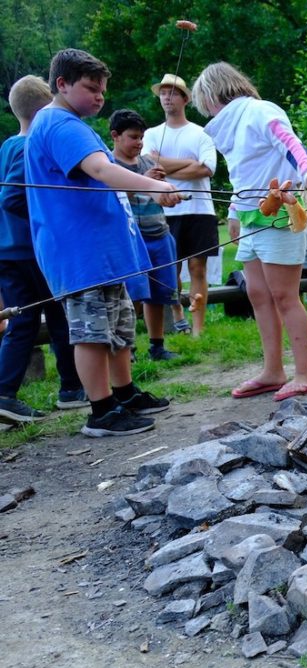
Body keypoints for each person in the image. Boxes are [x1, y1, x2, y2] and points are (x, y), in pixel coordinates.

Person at [24, 49, 177, 437]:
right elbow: (101, 169)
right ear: (62, 84)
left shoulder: (72, 123)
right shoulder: (60, 124)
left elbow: (106, 172)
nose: (99, 97)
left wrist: (151, 190)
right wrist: (157, 185)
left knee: (119, 324)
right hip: (80, 252)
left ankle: (123, 394)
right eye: (91, 88)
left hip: (101, 251)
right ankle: (102, 411)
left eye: (102, 90)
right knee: (91, 332)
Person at [192, 62, 307, 400]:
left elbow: (290, 143)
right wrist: (236, 212)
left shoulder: (259, 111)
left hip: (280, 212)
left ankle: (305, 374)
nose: (205, 111)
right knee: (257, 293)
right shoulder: (229, 128)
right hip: (252, 218)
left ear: (213, 94)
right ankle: (273, 371)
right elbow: (244, 174)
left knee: (284, 295)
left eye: (203, 102)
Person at [0, 75, 87, 424]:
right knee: (49, 317)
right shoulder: (27, 146)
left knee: (46, 317)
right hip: (26, 249)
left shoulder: (7, 144)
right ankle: (16, 392)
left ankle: (69, 386)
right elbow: (11, 198)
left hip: (9, 249)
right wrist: (47, 216)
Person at [142, 74, 218, 336]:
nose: (166, 97)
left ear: (185, 98)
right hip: (164, 210)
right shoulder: (152, 134)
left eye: (173, 92)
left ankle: (198, 328)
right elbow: (149, 166)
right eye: (163, 92)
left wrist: (165, 164)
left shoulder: (201, 133)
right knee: (169, 268)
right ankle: (177, 317)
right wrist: (187, 163)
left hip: (199, 210)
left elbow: (206, 168)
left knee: (198, 268)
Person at [110, 109, 181, 360]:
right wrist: (143, 180)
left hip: (159, 234)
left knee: (159, 294)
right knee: (129, 295)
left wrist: (169, 195)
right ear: (115, 136)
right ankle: (128, 349)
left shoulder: (149, 162)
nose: (139, 143)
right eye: (133, 137)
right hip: (129, 240)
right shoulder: (107, 165)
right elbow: (114, 201)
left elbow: (160, 198)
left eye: (141, 137)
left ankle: (157, 346)